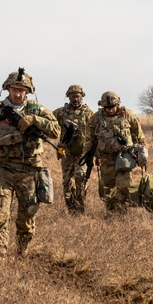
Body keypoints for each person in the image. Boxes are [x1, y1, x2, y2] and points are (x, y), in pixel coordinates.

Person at [0, 68, 60, 257]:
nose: (17, 93)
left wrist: (34, 120)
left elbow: (55, 131)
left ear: (28, 92)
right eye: (14, 89)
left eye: (22, 90)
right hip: (4, 170)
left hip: (30, 172)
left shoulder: (38, 110)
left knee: (26, 220)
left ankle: (21, 253)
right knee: (0, 216)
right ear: (7, 89)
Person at [86, 91, 145, 213]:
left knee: (124, 186)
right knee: (108, 187)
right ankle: (111, 212)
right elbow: (89, 137)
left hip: (125, 156)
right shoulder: (96, 118)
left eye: (112, 107)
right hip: (106, 157)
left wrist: (141, 153)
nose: (110, 110)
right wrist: (89, 155)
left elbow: (138, 134)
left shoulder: (127, 115)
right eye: (107, 108)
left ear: (117, 104)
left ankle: (122, 211)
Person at [53, 84, 93, 214]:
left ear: (82, 97)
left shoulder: (89, 113)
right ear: (68, 97)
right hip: (66, 152)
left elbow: (95, 131)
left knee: (80, 179)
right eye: (72, 96)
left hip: (82, 153)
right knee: (66, 182)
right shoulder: (61, 112)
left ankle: (80, 209)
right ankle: (71, 210)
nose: (75, 99)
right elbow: (49, 123)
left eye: (78, 96)